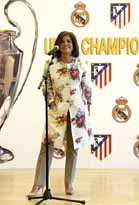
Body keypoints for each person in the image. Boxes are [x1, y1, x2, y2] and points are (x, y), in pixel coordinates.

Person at [27, 31, 92, 196]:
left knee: (73, 148)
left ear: (73, 44)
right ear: (58, 45)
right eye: (62, 41)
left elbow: (87, 87)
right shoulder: (51, 64)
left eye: (69, 41)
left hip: (76, 111)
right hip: (57, 111)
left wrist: (86, 105)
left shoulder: (81, 64)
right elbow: (46, 86)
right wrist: (51, 102)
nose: (66, 44)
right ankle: (38, 185)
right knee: (46, 146)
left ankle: (69, 184)